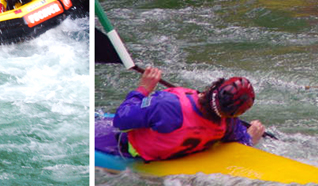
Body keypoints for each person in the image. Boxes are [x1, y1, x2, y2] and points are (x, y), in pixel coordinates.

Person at [96, 67, 265, 161]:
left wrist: (144, 88)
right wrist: (249, 138)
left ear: (214, 87)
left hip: (136, 151)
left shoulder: (166, 105)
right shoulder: (228, 124)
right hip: (180, 153)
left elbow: (120, 120)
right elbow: (241, 140)